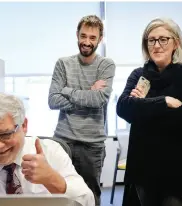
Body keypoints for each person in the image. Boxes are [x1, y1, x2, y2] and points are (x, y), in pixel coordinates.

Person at [116, 17, 182, 206]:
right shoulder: (138, 75)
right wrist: (164, 102)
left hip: (180, 172)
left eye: (163, 39)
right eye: (151, 40)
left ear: (175, 43)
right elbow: (123, 108)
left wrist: (143, 108)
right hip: (144, 170)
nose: (156, 45)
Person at [0, 92, 95, 206]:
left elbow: (87, 201)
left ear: (24, 126)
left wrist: (52, 180)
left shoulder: (51, 152)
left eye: (5, 134)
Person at [48, 15, 115, 206]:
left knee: (90, 196)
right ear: (77, 35)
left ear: (100, 39)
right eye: (83, 36)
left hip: (92, 145)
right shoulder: (63, 63)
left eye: (92, 38)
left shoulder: (106, 65)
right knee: (60, 194)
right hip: (63, 140)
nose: (86, 42)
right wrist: (88, 94)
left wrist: (67, 91)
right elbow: (53, 101)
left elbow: (100, 99)